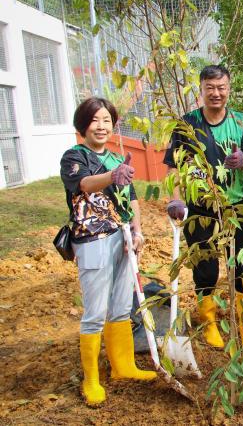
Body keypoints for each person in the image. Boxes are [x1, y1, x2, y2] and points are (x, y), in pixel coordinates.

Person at [60, 97, 156, 406]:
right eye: (95, 120)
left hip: (122, 237)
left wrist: (138, 232)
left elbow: (133, 199)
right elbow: (84, 184)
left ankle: (123, 366)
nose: (101, 126)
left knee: (120, 307)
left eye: (106, 120)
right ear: (83, 125)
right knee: (95, 312)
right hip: (93, 241)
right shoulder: (75, 156)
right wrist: (111, 177)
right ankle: (91, 380)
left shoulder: (117, 158)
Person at [163, 65, 243, 351]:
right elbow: (174, 165)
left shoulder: (242, 121)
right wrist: (176, 198)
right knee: (204, 266)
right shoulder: (187, 124)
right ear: (201, 90)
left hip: (236, 205)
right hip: (200, 206)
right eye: (210, 88)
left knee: (241, 265)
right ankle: (209, 322)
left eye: (221, 88)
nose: (216, 93)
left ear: (229, 89)